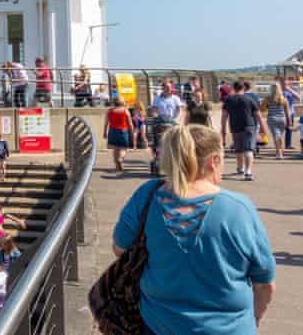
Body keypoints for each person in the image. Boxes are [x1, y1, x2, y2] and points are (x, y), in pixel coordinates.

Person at [112, 125, 275, 335]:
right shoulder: (238, 208)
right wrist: (254, 319)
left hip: (158, 324)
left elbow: (119, 248)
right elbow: (265, 284)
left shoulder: (147, 195)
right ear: (213, 161)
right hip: (230, 327)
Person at [221, 81, 268, 181]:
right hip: (249, 127)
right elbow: (258, 115)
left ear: (233, 88)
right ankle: (248, 171)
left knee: (238, 149)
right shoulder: (249, 99)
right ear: (243, 88)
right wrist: (263, 128)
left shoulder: (228, 100)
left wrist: (223, 129)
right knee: (248, 150)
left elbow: (224, 116)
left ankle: (240, 168)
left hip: (234, 127)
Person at [104, 97, 136, 172]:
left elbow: (106, 123)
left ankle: (116, 166)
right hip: (123, 131)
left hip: (112, 131)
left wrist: (105, 132)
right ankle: (120, 159)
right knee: (123, 148)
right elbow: (130, 124)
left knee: (115, 149)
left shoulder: (109, 111)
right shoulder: (125, 111)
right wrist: (132, 132)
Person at [261, 84, 291, 160]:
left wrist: (267, 107)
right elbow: (287, 112)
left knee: (276, 136)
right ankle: (280, 151)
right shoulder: (284, 99)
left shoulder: (267, 99)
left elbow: (262, 109)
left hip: (272, 119)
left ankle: (279, 153)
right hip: (282, 119)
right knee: (279, 136)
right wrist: (289, 122)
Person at [277, 76, 299, 149]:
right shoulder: (278, 91)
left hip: (290, 112)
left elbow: (298, 97)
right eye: (283, 83)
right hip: (280, 113)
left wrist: (289, 90)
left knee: (289, 128)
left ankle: (288, 144)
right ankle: (278, 145)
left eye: (286, 84)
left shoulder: (290, 91)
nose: (284, 85)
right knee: (279, 130)